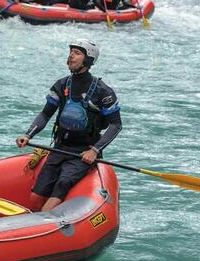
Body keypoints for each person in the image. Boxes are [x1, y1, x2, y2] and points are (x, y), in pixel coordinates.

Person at [15, 40, 122, 212]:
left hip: (83, 152)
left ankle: (44, 219)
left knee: (62, 183)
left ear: (88, 60)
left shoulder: (103, 91)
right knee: (36, 197)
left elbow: (116, 125)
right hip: (60, 147)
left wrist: (94, 151)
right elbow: (45, 114)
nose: (71, 55)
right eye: (71, 51)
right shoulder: (62, 84)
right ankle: (35, 221)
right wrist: (28, 135)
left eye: (77, 53)